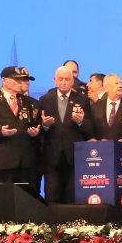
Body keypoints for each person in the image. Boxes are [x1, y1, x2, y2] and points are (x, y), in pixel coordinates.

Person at [0, 66, 42, 185]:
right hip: (2, 159)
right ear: (4, 80)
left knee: (25, 193)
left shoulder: (26, 101)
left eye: (21, 79)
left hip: (24, 159)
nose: (20, 82)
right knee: (4, 194)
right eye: (16, 79)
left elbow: (32, 123)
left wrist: (35, 132)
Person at [39, 65, 94, 204]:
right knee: (52, 195)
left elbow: (90, 127)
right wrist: (45, 125)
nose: (63, 82)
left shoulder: (82, 99)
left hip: (74, 156)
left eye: (67, 79)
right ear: (55, 80)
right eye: (60, 79)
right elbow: (39, 129)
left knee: (72, 195)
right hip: (52, 156)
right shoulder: (45, 99)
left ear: (72, 81)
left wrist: (81, 122)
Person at [91, 74, 122, 141]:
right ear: (106, 88)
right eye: (116, 83)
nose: (120, 86)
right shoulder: (96, 107)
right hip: (100, 146)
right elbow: (91, 128)